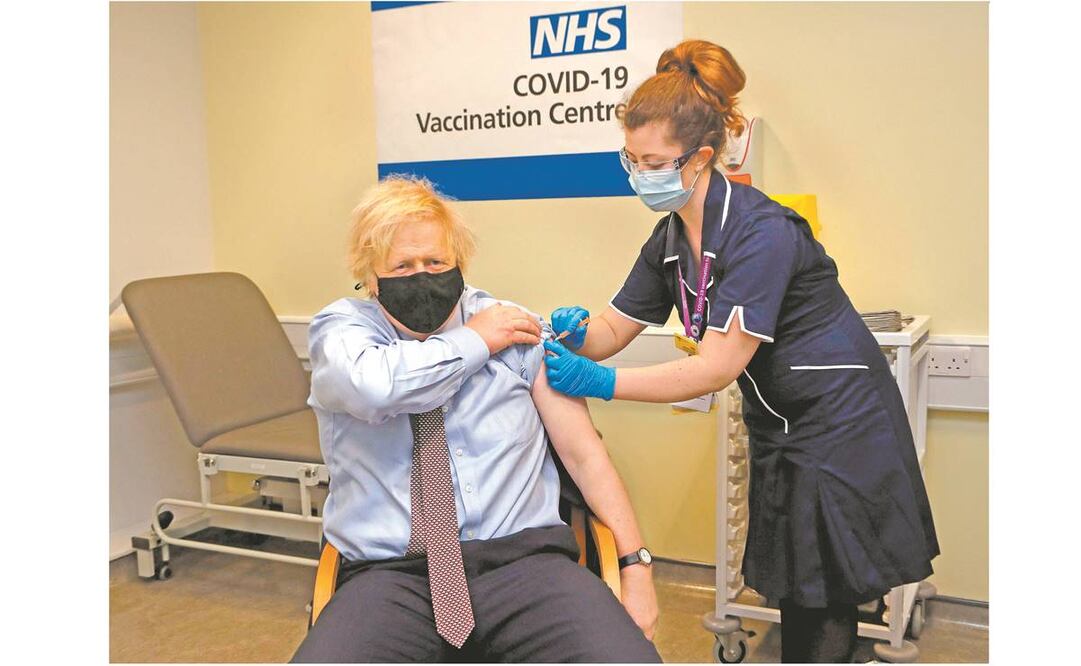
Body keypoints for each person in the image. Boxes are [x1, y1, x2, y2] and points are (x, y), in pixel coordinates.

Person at [543, 40, 939, 663]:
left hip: (839, 422)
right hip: (781, 425)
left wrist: (600, 382)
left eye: (652, 161)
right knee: (796, 588)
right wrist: (576, 333)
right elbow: (615, 328)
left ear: (700, 158)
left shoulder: (764, 232)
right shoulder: (672, 236)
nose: (638, 174)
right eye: (631, 158)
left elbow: (716, 367)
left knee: (827, 595)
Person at [290, 175, 662, 663]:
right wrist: (476, 342)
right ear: (370, 275)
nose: (422, 275)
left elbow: (585, 456)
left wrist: (636, 567)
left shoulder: (514, 326)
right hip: (389, 576)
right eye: (402, 265)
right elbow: (376, 387)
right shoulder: (342, 333)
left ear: (460, 263)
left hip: (526, 564)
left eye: (436, 261)